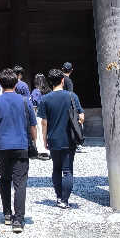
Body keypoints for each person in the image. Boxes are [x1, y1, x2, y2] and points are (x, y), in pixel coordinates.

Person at [0, 67, 36, 234]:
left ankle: (7, 214)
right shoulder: (24, 101)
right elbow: (33, 126)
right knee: (20, 183)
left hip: (1, 146)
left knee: (4, 179)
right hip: (21, 145)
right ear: (17, 83)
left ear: (0, 84)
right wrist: (34, 141)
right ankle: (18, 219)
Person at [38, 67, 84, 209]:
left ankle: (58, 197)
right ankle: (65, 200)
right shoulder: (72, 96)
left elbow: (44, 122)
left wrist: (44, 139)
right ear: (63, 80)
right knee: (68, 170)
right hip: (69, 138)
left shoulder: (45, 99)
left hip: (53, 138)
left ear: (50, 83)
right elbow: (81, 117)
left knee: (56, 169)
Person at [31, 73, 50, 159]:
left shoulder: (35, 92)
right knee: (46, 131)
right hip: (48, 113)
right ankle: (47, 147)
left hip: (38, 113)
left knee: (39, 131)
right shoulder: (48, 90)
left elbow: (34, 104)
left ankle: (41, 149)